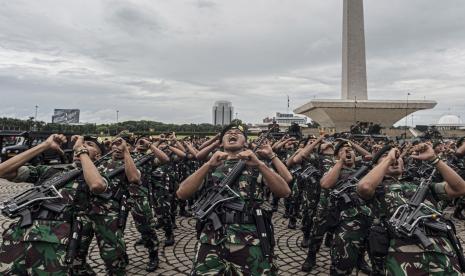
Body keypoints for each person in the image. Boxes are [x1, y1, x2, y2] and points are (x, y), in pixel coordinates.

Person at [177, 124, 290, 275]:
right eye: (228, 133)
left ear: (245, 142)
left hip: (250, 239)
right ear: (221, 143)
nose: (233, 134)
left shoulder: (256, 166)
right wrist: (208, 165)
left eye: (238, 133)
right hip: (212, 238)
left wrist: (260, 164)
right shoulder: (211, 166)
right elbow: (182, 193)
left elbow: (284, 192)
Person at [0, 134, 107, 275]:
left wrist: (81, 150)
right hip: (18, 238)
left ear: (98, 156)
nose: (82, 145)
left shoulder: (99, 176)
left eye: (90, 145)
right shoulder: (52, 171)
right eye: (82, 144)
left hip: (54, 246)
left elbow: (97, 185)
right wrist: (44, 145)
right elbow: (3, 170)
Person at [357, 143, 465, 275]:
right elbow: (364, 187)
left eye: (398, 158)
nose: (394, 159)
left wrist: (435, 159)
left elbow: (460, 188)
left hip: (442, 249)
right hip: (404, 254)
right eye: (384, 156)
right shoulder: (377, 189)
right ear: (377, 166)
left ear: (404, 164)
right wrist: (389, 159)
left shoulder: (422, 185)